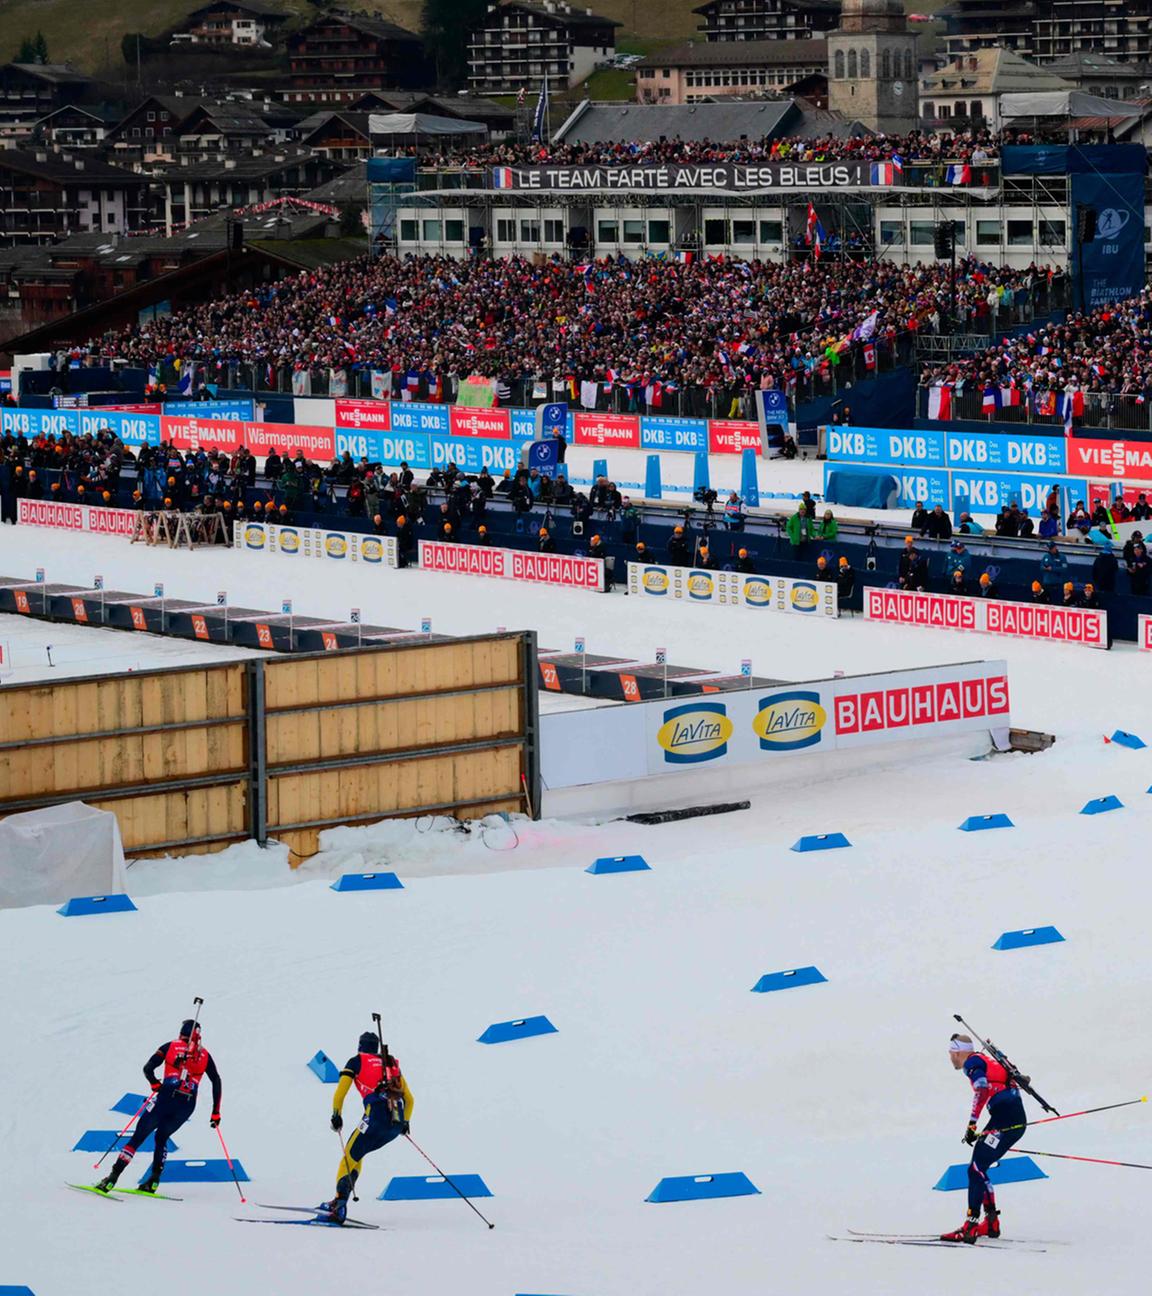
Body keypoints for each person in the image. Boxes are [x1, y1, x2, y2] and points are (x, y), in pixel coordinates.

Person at [96, 1018, 222, 1194]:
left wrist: (154, 1083)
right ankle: (153, 1181)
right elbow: (216, 1080)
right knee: (162, 1138)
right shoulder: (205, 1055)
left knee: (138, 1138)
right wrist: (215, 1112)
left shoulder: (169, 1046)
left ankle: (112, 1178)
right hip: (187, 1106)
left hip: (165, 1098)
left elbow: (148, 1068)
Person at [940, 1034, 1026, 1244]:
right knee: (979, 1168)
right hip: (1008, 1120)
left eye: (951, 1053)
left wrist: (972, 1124)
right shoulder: (985, 1060)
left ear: (957, 1052)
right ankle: (991, 1222)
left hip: (1006, 1122)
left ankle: (970, 1226)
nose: (950, 1058)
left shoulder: (972, 1063)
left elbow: (982, 1088)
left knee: (976, 1169)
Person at [325, 1030, 413, 1224]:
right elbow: (410, 1099)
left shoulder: (356, 1061)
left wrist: (336, 1115)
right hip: (395, 1123)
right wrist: (405, 1123)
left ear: (360, 1046)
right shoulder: (390, 1064)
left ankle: (338, 1206)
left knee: (349, 1156)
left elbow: (340, 1093)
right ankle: (340, 1202)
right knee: (358, 1154)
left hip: (375, 1118)